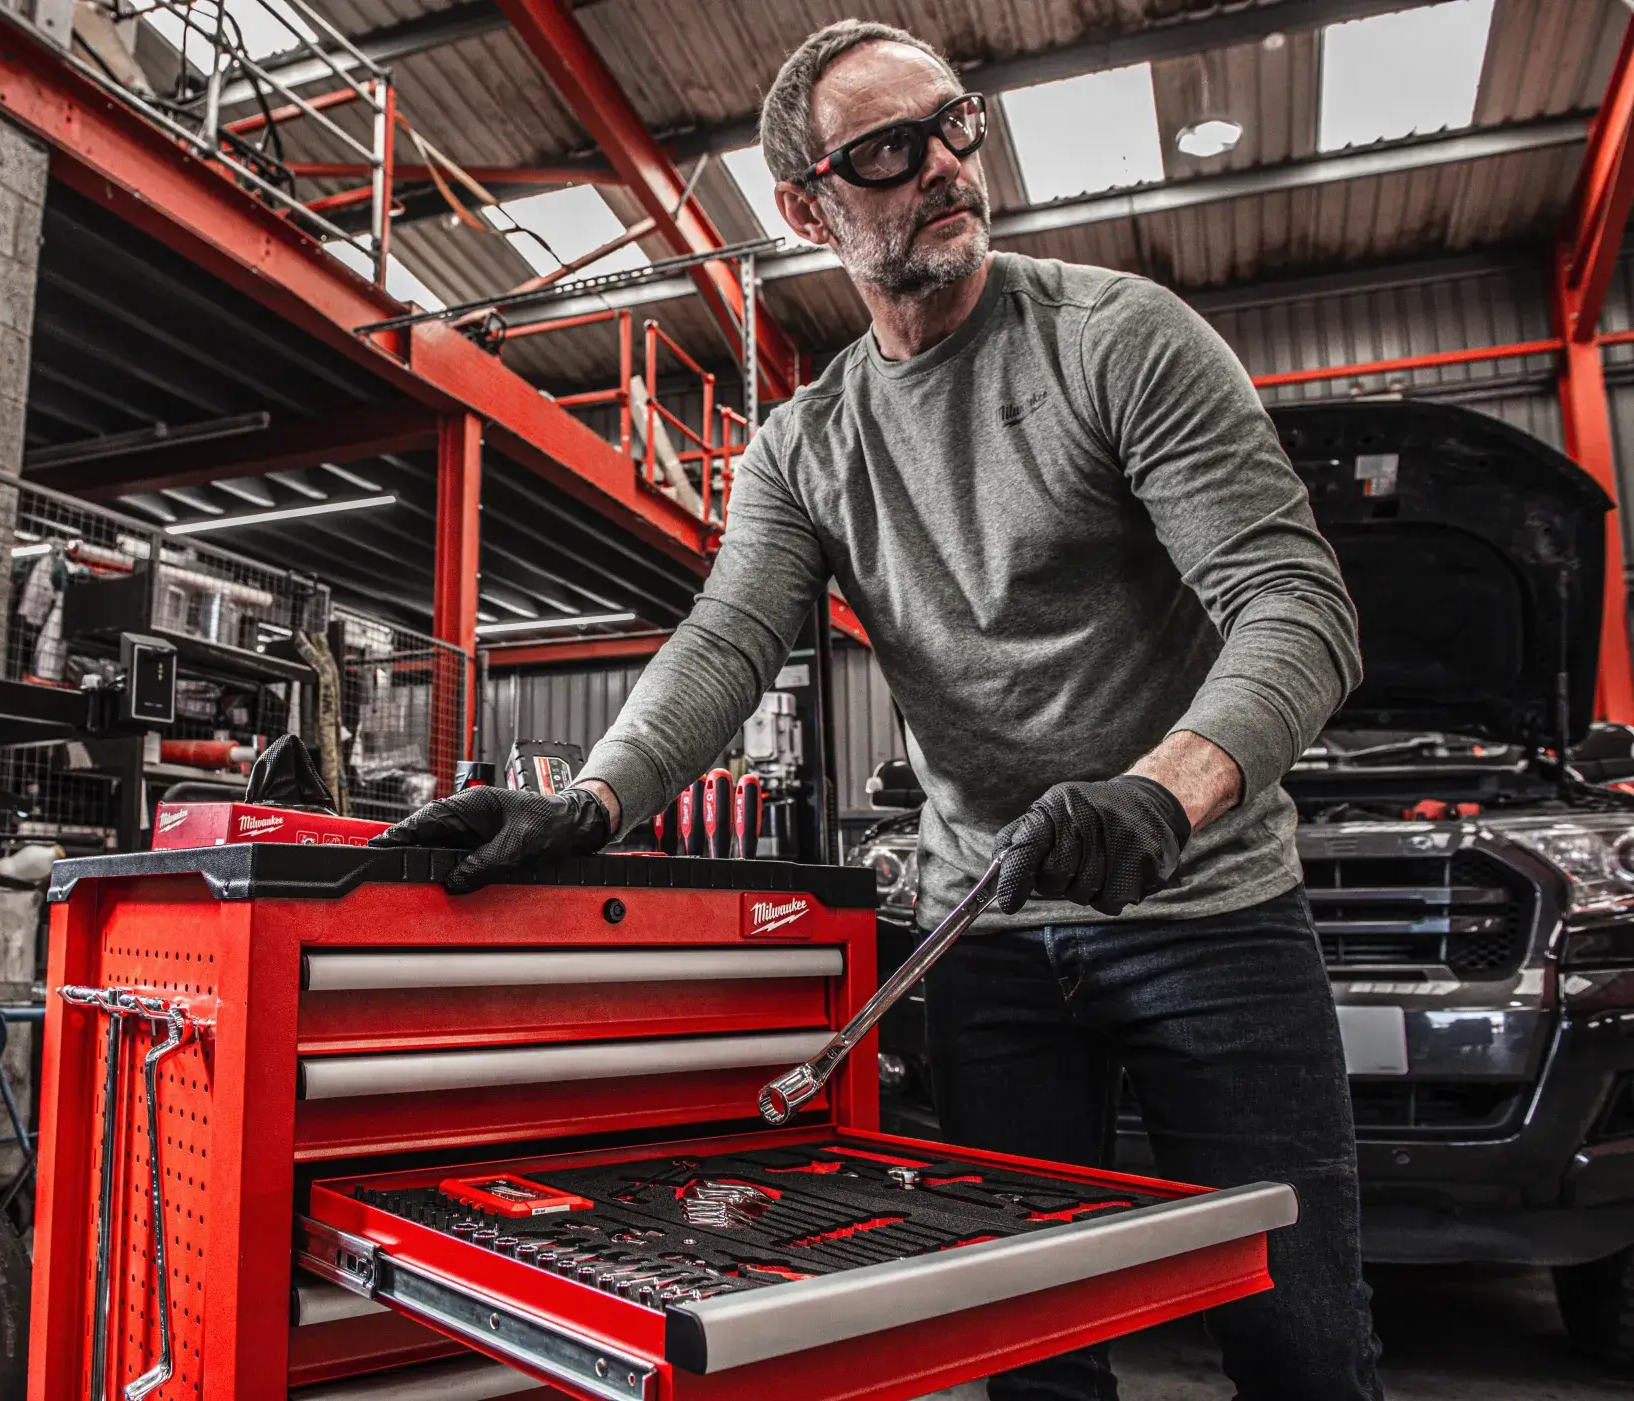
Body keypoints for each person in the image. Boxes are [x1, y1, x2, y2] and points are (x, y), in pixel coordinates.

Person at [371, 19, 1380, 1400]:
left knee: (1299, 1334)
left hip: (1211, 918)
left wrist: (1166, 793)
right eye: (891, 151)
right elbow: (729, 637)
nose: (948, 164)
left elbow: (1297, 609)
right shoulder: (806, 443)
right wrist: (592, 802)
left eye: (956, 125)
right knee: (1034, 1355)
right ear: (807, 207)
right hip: (987, 934)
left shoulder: (1121, 341)